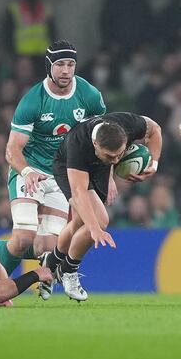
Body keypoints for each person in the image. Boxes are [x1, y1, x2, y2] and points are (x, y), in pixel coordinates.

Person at [5, 40, 106, 300]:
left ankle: (47, 272)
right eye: (60, 64)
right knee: (23, 238)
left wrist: (109, 177)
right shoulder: (32, 100)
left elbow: (103, 140)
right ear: (49, 66)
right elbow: (12, 149)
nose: (65, 70)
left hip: (62, 174)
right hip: (30, 172)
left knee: (47, 245)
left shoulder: (89, 95)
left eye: (70, 64)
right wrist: (26, 172)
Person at [43, 112, 162, 301]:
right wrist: (94, 229)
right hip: (67, 168)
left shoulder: (126, 125)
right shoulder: (79, 143)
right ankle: (68, 270)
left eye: (119, 155)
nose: (116, 160)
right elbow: (79, 192)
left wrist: (153, 164)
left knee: (77, 224)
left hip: (98, 167)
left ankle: (50, 264)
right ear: (96, 144)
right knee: (99, 220)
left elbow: (155, 129)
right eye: (110, 156)